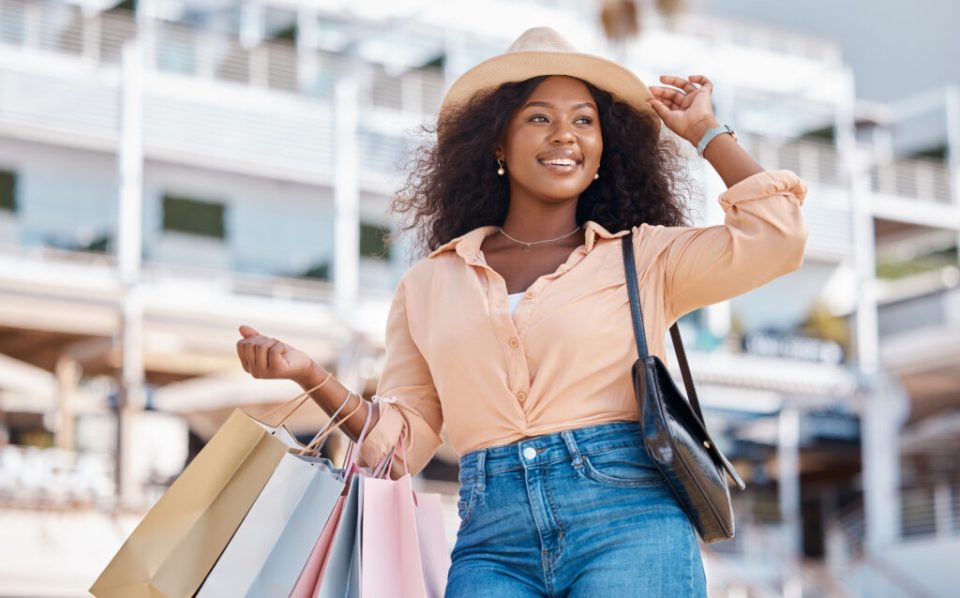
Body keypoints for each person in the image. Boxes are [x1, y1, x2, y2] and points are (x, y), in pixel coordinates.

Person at [236, 27, 807, 597]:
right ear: (498, 145)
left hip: (631, 519)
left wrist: (707, 133)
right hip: (492, 537)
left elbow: (777, 237)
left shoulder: (645, 256)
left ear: (606, 149)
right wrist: (310, 376)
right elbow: (403, 446)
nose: (565, 135)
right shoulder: (431, 282)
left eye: (584, 121)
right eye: (539, 118)